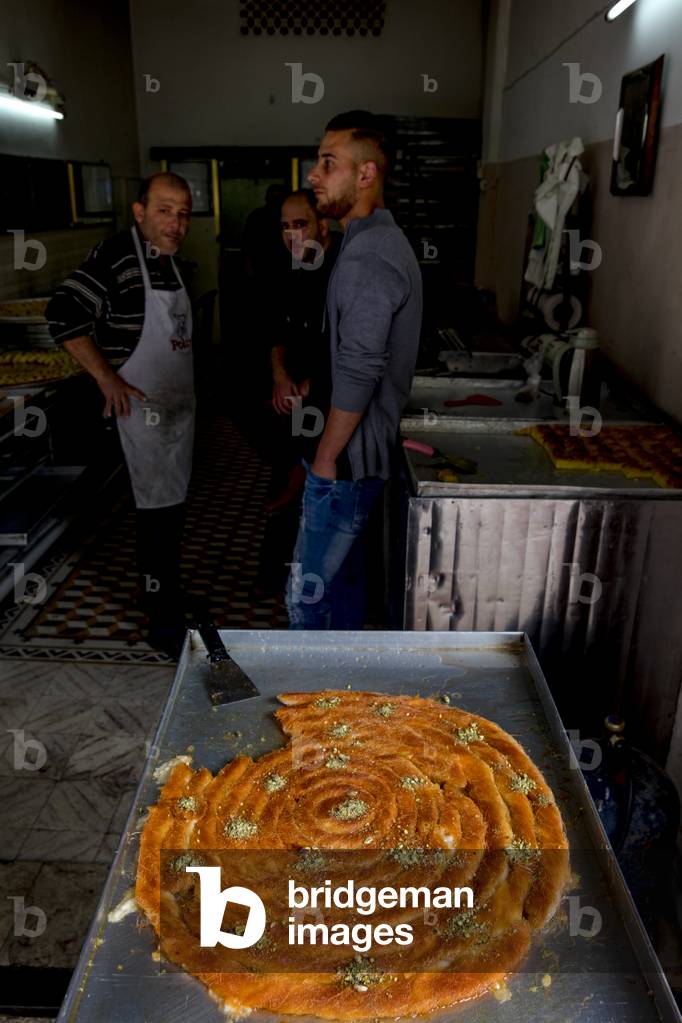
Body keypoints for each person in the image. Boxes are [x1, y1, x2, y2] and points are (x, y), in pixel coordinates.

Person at [46, 172, 196, 658]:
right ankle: (162, 622)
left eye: (183, 213)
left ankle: (165, 595)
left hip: (174, 414)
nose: (175, 223)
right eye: (163, 211)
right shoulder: (116, 256)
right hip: (140, 415)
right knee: (155, 518)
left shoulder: (168, 262)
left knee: (169, 516)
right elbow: (63, 313)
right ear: (139, 212)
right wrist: (106, 378)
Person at [285, 111, 423, 630]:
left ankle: (314, 708)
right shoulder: (368, 241)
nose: (313, 176)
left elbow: (362, 369)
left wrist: (324, 458)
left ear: (366, 174)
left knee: (307, 599)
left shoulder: (369, 255)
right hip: (355, 459)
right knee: (341, 589)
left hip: (344, 464)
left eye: (327, 164)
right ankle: (343, 699)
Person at [254, 189, 341, 596]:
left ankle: (313, 586)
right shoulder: (291, 266)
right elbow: (276, 328)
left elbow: (355, 348)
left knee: (314, 492)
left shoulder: (344, 268)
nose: (292, 235)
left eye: (300, 224)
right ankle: (275, 580)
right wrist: (279, 374)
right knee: (285, 482)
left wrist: (311, 385)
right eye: (285, 227)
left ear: (322, 225)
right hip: (294, 399)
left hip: (333, 404)